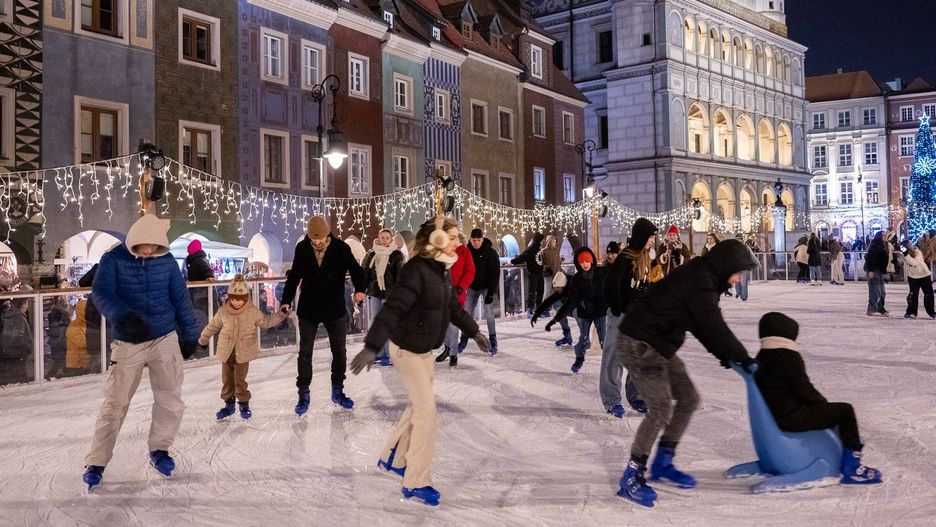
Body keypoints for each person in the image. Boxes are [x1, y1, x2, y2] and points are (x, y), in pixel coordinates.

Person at [349, 216, 491, 507]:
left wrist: (475, 332)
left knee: (418, 407)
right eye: (451, 237)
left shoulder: (442, 269)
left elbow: (452, 306)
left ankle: (394, 456)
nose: (457, 242)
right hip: (407, 351)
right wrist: (372, 347)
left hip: (425, 350)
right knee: (427, 412)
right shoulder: (416, 270)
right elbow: (392, 310)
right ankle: (415, 481)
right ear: (436, 240)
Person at [614, 239, 758, 508]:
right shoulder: (699, 280)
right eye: (738, 272)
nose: (738, 280)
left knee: (689, 398)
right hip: (639, 344)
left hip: (659, 344)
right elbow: (713, 327)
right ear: (726, 265)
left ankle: (663, 462)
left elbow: (704, 327)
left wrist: (728, 357)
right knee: (659, 407)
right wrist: (740, 357)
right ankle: (632, 474)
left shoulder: (705, 278)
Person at [82, 214, 200, 491]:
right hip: (129, 340)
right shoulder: (113, 260)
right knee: (115, 402)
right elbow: (101, 293)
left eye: (155, 245)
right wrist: (122, 317)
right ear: (134, 239)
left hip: (164, 335)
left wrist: (190, 334)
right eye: (145, 245)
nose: (149, 250)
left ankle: (160, 449)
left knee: (170, 398)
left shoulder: (166, 261)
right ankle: (97, 462)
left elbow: (180, 298)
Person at [754, 312, 882, 485]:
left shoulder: (761, 357)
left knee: (834, 412)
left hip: (776, 415)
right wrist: (823, 406)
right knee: (844, 411)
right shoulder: (788, 357)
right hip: (792, 417)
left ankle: (845, 445)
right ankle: (852, 467)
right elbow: (804, 390)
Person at [280, 216, 368, 415]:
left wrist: (360, 289)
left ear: (328, 233)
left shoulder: (340, 248)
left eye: (320, 238)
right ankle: (303, 393)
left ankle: (338, 390)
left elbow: (356, 270)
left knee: (339, 352)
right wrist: (286, 300)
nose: (317, 242)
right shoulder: (302, 249)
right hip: (309, 308)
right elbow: (294, 276)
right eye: (314, 238)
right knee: (305, 353)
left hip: (334, 308)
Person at [198, 275, 286, 420]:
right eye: (233, 298)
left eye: (239, 299)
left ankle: (244, 404)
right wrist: (203, 339)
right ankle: (229, 405)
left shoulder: (252, 311)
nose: (236, 302)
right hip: (226, 351)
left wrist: (280, 315)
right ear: (229, 297)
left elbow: (266, 321)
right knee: (227, 379)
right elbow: (212, 326)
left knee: (239, 380)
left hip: (244, 352)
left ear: (245, 298)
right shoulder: (223, 311)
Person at [602, 219, 657, 418]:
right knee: (614, 358)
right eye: (650, 237)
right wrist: (617, 308)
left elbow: (644, 286)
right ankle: (612, 400)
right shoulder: (626, 257)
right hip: (621, 315)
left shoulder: (645, 258)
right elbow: (611, 285)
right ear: (642, 236)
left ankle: (637, 396)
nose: (653, 240)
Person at [543, 247, 608, 374]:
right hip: (584, 313)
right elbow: (575, 297)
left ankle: (607, 363)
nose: (585, 264)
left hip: (600, 312)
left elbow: (606, 291)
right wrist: (583, 304)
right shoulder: (577, 278)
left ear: (591, 261)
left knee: (603, 339)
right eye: (582, 262)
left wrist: (602, 304)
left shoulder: (600, 273)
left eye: (587, 261)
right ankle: (579, 359)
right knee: (583, 338)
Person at [361, 229, 405, 366]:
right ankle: (378, 353)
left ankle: (389, 354)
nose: (385, 240)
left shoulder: (397, 255)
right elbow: (365, 273)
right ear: (378, 238)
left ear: (391, 239)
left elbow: (401, 276)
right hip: (375, 293)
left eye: (387, 238)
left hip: (390, 294)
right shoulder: (371, 254)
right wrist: (362, 289)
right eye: (382, 237)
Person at [456, 228, 500, 355]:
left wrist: (491, 292)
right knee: (467, 314)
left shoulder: (491, 252)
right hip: (471, 286)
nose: (476, 243)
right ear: (470, 239)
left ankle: (493, 340)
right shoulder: (466, 251)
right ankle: (463, 340)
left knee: (489, 313)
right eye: (474, 240)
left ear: (482, 239)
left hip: (486, 286)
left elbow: (495, 274)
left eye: (478, 240)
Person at [436, 232, 475, 366]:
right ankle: (447, 347)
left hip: (457, 293)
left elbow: (470, 271)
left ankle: (453, 353)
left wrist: (462, 287)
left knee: (452, 324)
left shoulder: (464, 251)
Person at [511, 233, 545, 318]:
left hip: (540, 273)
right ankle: (530, 309)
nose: (542, 242)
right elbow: (521, 257)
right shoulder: (531, 249)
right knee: (532, 292)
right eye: (541, 240)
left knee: (540, 291)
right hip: (533, 273)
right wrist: (513, 261)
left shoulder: (538, 248)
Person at [900, 240, 935, 319]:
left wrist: (906, 255)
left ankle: (932, 312)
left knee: (928, 295)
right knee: (913, 295)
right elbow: (899, 260)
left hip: (924, 275)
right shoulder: (903, 254)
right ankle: (911, 312)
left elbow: (914, 262)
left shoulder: (918, 252)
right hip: (912, 277)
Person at [864, 231, 889, 317]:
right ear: (879, 236)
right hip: (874, 270)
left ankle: (880, 308)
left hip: (880, 270)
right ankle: (871, 309)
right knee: (875, 291)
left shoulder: (883, 245)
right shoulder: (876, 245)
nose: (885, 237)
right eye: (883, 235)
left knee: (882, 292)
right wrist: (871, 270)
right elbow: (870, 258)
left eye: (886, 235)